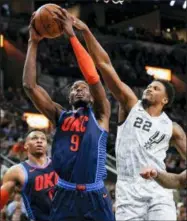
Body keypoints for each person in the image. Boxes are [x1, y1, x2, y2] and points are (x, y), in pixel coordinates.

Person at [71, 16, 187, 220]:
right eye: (149, 85)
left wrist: (177, 179)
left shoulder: (173, 128)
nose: (150, 87)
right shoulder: (130, 104)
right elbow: (104, 64)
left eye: (156, 88)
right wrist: (86, 32)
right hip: (128, 189)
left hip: (158, 190)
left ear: (165, 99)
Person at [22, 9, 114, 221]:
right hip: (64, 194)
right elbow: (29, 86)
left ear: (91, 96)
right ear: (69, 97)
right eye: (74, 88)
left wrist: (72, 36)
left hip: (95, 194)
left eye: (82, 88)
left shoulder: (101, 113)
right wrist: (33, 42)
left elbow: (92, 76)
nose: (78, 89)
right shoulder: (59, 116)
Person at [0, 129, 58, 221]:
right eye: (34, 138)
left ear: (46, 145)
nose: (39, 141)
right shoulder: (16, 171)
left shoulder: (60, 163)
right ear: (26, 145)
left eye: (43, 139)